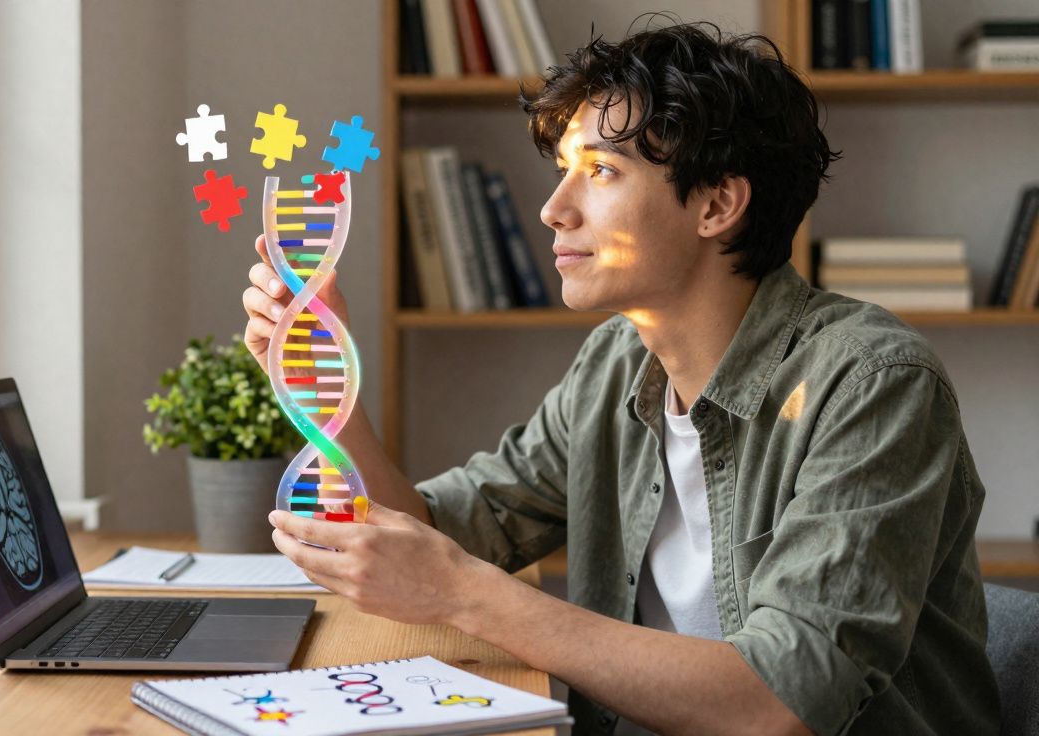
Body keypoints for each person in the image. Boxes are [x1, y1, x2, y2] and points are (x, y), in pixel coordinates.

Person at [241, 19, 999, 735]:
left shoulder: (872, 384)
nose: (552, 210)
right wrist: (324, 389)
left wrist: (464, 592)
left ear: (717, 204)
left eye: (600, 171)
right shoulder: (615, 361)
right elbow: (441, 534)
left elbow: (783, 702)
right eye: (564, 172)